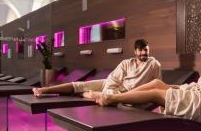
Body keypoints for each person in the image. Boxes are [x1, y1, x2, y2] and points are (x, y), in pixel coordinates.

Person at [92, 32, 201, 124]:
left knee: (155, 93)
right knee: (157, 83)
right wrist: (178, 87)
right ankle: (122, 96)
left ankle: (111, 98)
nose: (200, 50)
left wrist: (179, 88)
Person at [33, 39, 161, 98]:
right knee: (79, 84)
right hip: (109, 85)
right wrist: (109, 90)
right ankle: (44, 90)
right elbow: (112, 79)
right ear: (135, 51)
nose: (144, 53)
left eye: (146, 50)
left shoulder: (154, 64)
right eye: (141, 50)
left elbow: (157, 84)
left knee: (94, 92)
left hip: (124, 93)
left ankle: (86, 94)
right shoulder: (126, 63)